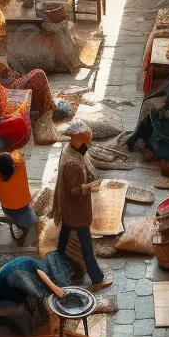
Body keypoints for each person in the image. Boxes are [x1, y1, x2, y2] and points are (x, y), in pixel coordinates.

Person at [52, 119, 110, 288]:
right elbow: (74, 191)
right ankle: (97, 278)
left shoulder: (71, 151)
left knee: (64, 237)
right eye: (86, 142)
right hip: (76, 211)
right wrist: (91, 187)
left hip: (69, 211)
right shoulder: (72, 164)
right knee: (87, 246)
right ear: (77, 141)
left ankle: (56, 263)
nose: (88, 145)